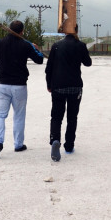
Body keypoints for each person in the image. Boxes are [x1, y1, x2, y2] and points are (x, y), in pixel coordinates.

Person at [0, 20, 44, 159]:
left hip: (2, 85)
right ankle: (18, 144)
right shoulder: (25, 45)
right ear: (22, 31)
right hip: (19, 86)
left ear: (9, 29)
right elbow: (39, 60)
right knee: (19, 115)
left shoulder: (0, 43)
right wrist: (35, 48)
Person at [44, 25, 92, 162]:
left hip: (58, 86)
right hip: (75, 86)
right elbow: (88, 63)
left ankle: (55, 140)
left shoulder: (56, 46)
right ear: (76, 31)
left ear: (65, 31)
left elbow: (49, 68)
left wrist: (49, 84)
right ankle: (69, 145)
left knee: (56, 116)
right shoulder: (80, 45)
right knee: (72, 117)